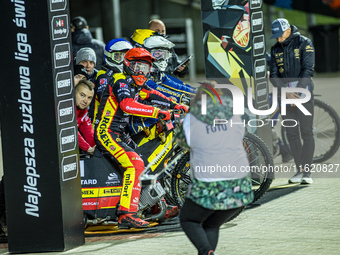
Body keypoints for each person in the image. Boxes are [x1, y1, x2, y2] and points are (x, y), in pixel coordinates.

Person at [94, 48, 187, 229]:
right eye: (137, 66)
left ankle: (155, 207)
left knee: (147, 163)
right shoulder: (120, 81)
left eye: (145, 68)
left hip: (120, 134)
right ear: (128, 65)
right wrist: (160, 113)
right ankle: (126, 214)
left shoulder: (137, 85)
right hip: (106, 133)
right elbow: (127, 105)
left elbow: (154, 95)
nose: (140, 72)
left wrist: (176, 105)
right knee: (136, 164)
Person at [176, 81, 254, 255]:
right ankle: (208, 252)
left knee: (189, 219)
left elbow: (183, 143)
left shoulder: (192, 116)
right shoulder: (233, 112)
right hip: (240, 182)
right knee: (211, 223)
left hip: (209, 183)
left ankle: (207, 252)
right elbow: (241, 133)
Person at [269, 18, 315, 184]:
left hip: (304, 93)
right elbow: (273, 75)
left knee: (307, 132)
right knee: (291, 134)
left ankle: (307, 173)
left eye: (280, 35)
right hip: (285, 95)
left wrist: (297, 92)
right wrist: (287, 92)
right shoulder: (275, 49)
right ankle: (299, 170)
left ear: (288, 30)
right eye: (276, 36)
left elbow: (308, 70)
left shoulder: (305, 43)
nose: (278, 38)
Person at [75, 79, 96, 155]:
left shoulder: (83, 111)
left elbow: (89, 133)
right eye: (82, 95)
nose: (85, 101)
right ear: (74, 93)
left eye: (89, 98)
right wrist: (88, 148)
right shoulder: (65, 107)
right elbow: (72, 131)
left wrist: (96, 148)